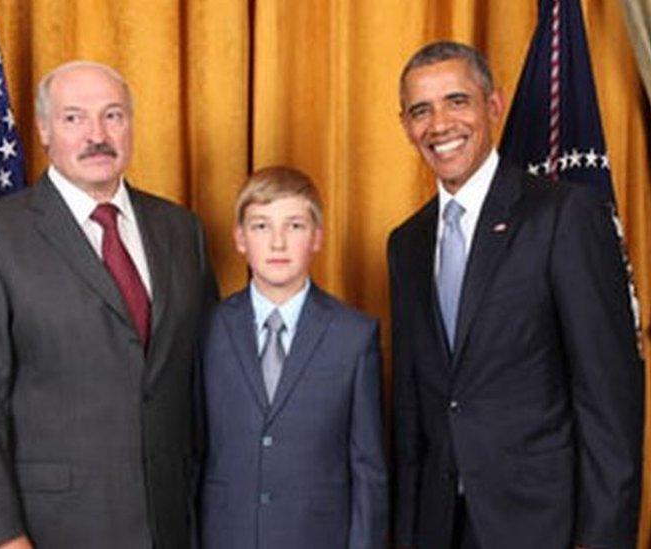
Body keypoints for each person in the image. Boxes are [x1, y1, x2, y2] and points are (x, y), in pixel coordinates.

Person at [0, 60, 218, 549]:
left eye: (113, 116)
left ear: (131, 125)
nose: (97, 134)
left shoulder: (180, 230)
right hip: (52, 528)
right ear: (43, 129)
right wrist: (0, 538)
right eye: (73, 118)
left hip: (172, 522)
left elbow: (206, 378)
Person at [388, 41, 644, 549]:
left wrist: (603, 539)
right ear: (405, 125)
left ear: (494, 105)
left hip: (542, 526)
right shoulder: (406, 244)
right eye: (421, 110)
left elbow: (609, 400)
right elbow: (415, 409)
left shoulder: (564, 216)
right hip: (440, 526)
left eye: (456, 100)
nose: (439, 124)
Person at [199, 166, 387, 548]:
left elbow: (368, 469)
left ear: (317, 237)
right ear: (240, 239)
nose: (278, 243)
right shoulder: (207, 330)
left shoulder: (354, 336)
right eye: (261, 227)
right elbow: (192, 454)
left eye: (295, 226)